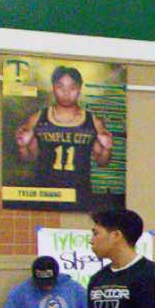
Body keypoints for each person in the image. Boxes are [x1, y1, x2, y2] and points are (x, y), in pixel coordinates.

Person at [14, 65, 114, 209]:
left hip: (80, 194)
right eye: (60, 87)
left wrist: (107, 149)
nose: (66, 92)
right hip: (45, 194)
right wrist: (22, 146)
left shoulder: (93, 121)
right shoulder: (38, 118)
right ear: (53, 88)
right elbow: (28, 159)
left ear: (79, 89)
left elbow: (102, 162)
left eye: (72, 87)